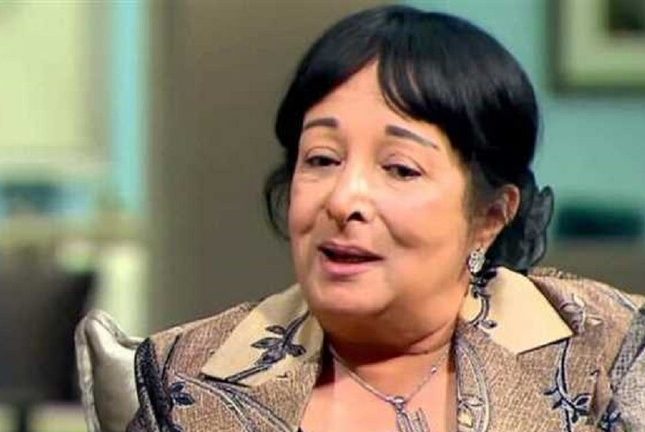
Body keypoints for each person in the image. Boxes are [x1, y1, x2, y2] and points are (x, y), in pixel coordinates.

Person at [126, 5, 645, 432]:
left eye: (399, 168)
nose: (343, 200)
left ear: (490, 216)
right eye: (322, 159)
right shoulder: (181, 377)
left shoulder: (609, 350)